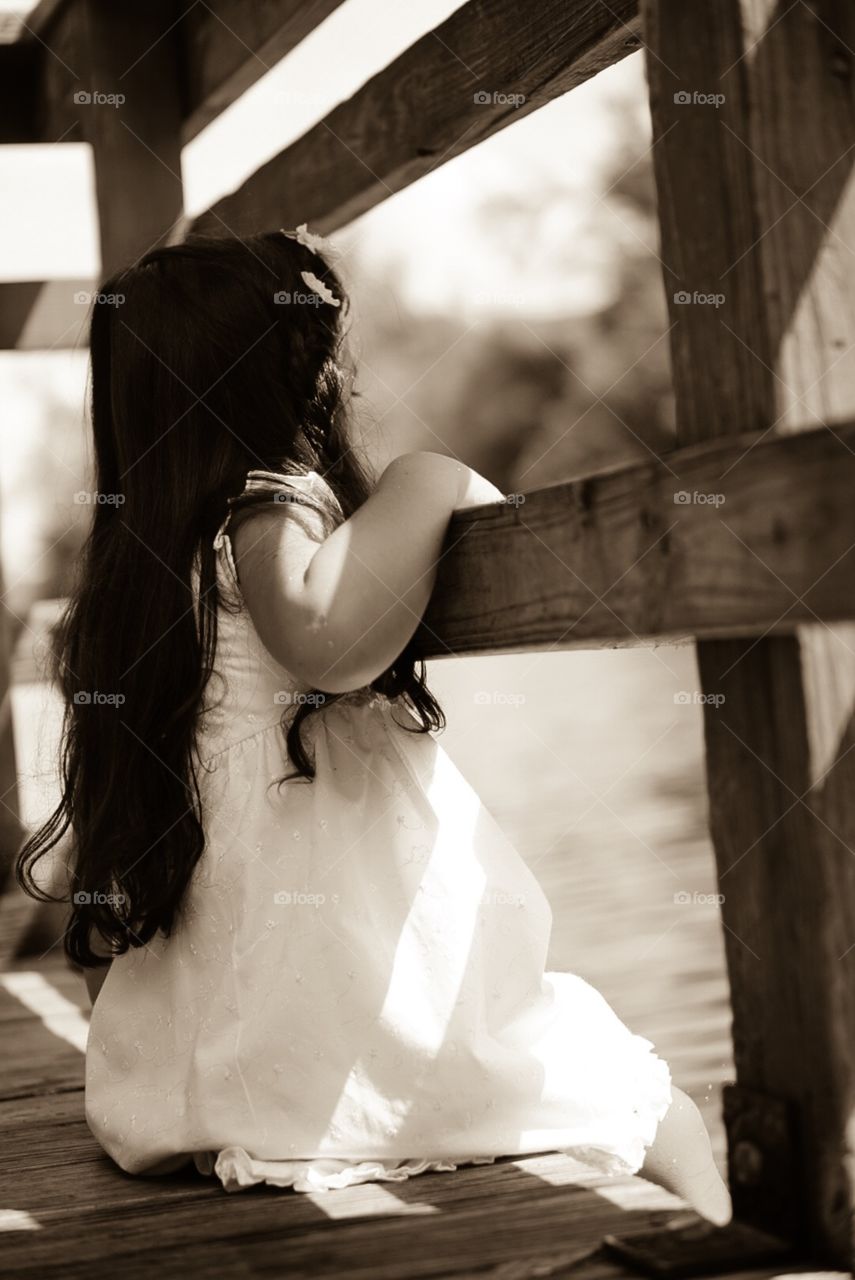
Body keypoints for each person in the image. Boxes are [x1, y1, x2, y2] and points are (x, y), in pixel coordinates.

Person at [17, 228, 731, 1223]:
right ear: (296, 384)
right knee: (653, 1108)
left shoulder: (147, 586)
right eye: (333, 360)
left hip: (200, 1066)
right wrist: (429, 479)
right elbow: (325, 641)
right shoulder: (261, 512)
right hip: (333, 1048)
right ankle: (751, 1250)